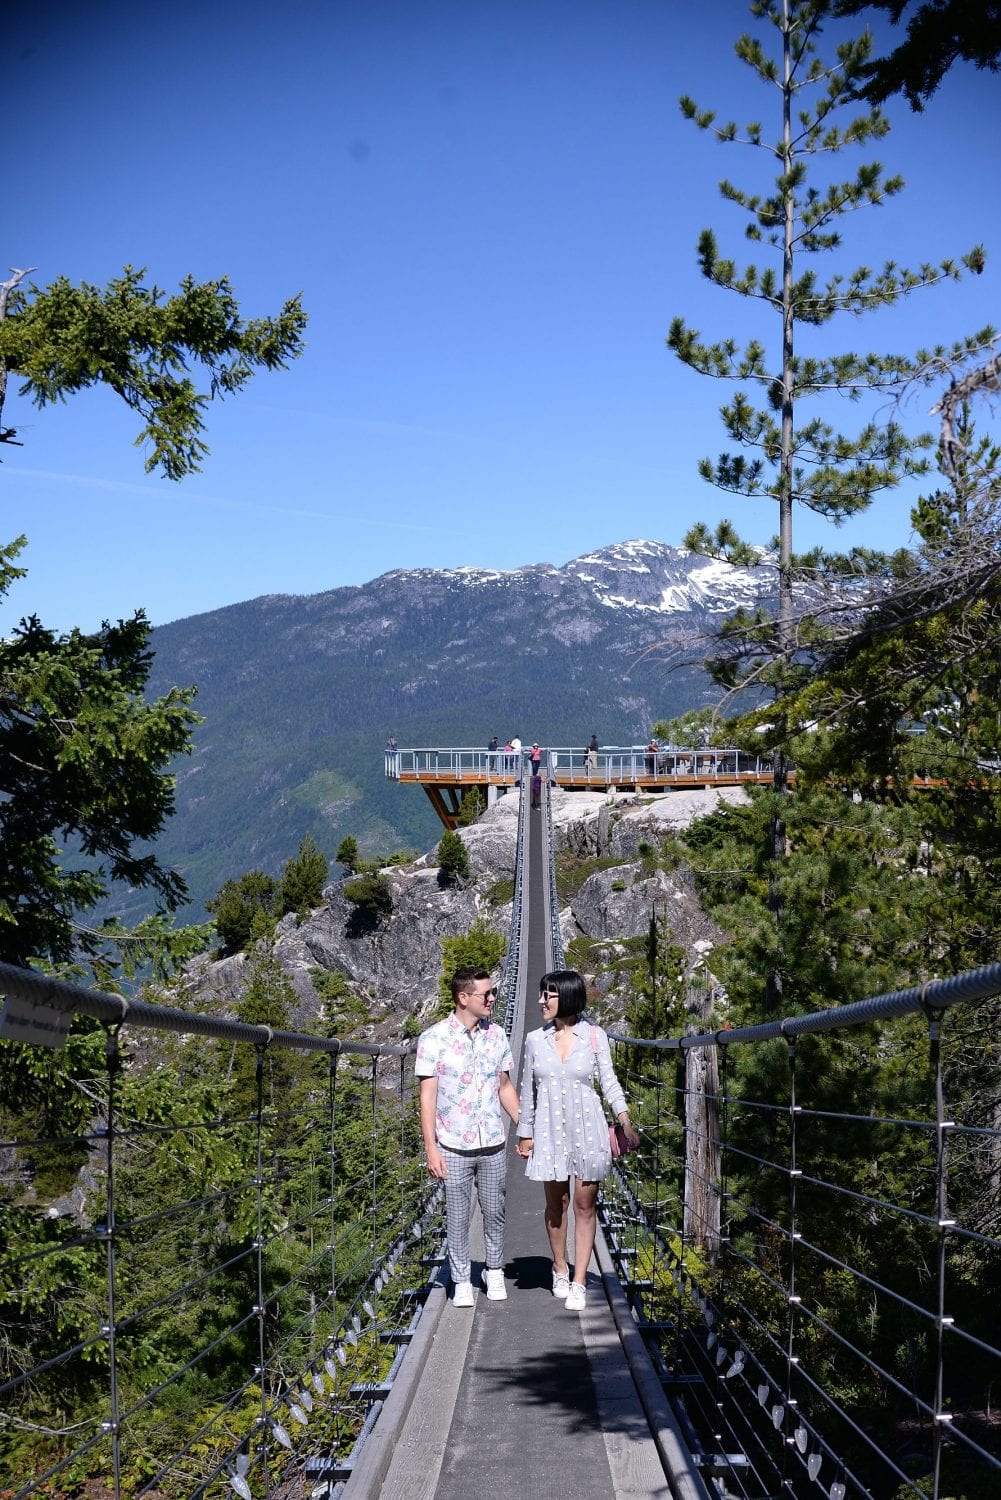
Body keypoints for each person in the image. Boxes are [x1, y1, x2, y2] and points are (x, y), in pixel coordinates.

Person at [516, 970, 639, 1311]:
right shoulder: (533, 1040)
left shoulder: (595, 1037)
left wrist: (625, 1121)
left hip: (589, 1131)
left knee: (585, 1206)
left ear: (567, 997)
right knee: (557, 1205)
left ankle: (580, 1280)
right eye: (541, 993)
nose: (541, 1000)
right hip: (550, 1132)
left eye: (548, 995)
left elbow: (609, 1083)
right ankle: (559, 1266)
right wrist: (525, 1133)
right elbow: (528, 1091)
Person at [416, 968, 520, 1306]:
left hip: (492, 1142)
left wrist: (526, 1127)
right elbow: (427, 1096)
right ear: (464, 998)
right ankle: (461, 1280)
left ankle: (493, 1271)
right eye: (485, 994)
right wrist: (431, 1147)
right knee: (457, 1216)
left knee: (496, 1212)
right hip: (453, 1145)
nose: (492, 999)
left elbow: (504, 1087)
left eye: (492, 993)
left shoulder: (498, 1036)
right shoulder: (432, 1039)